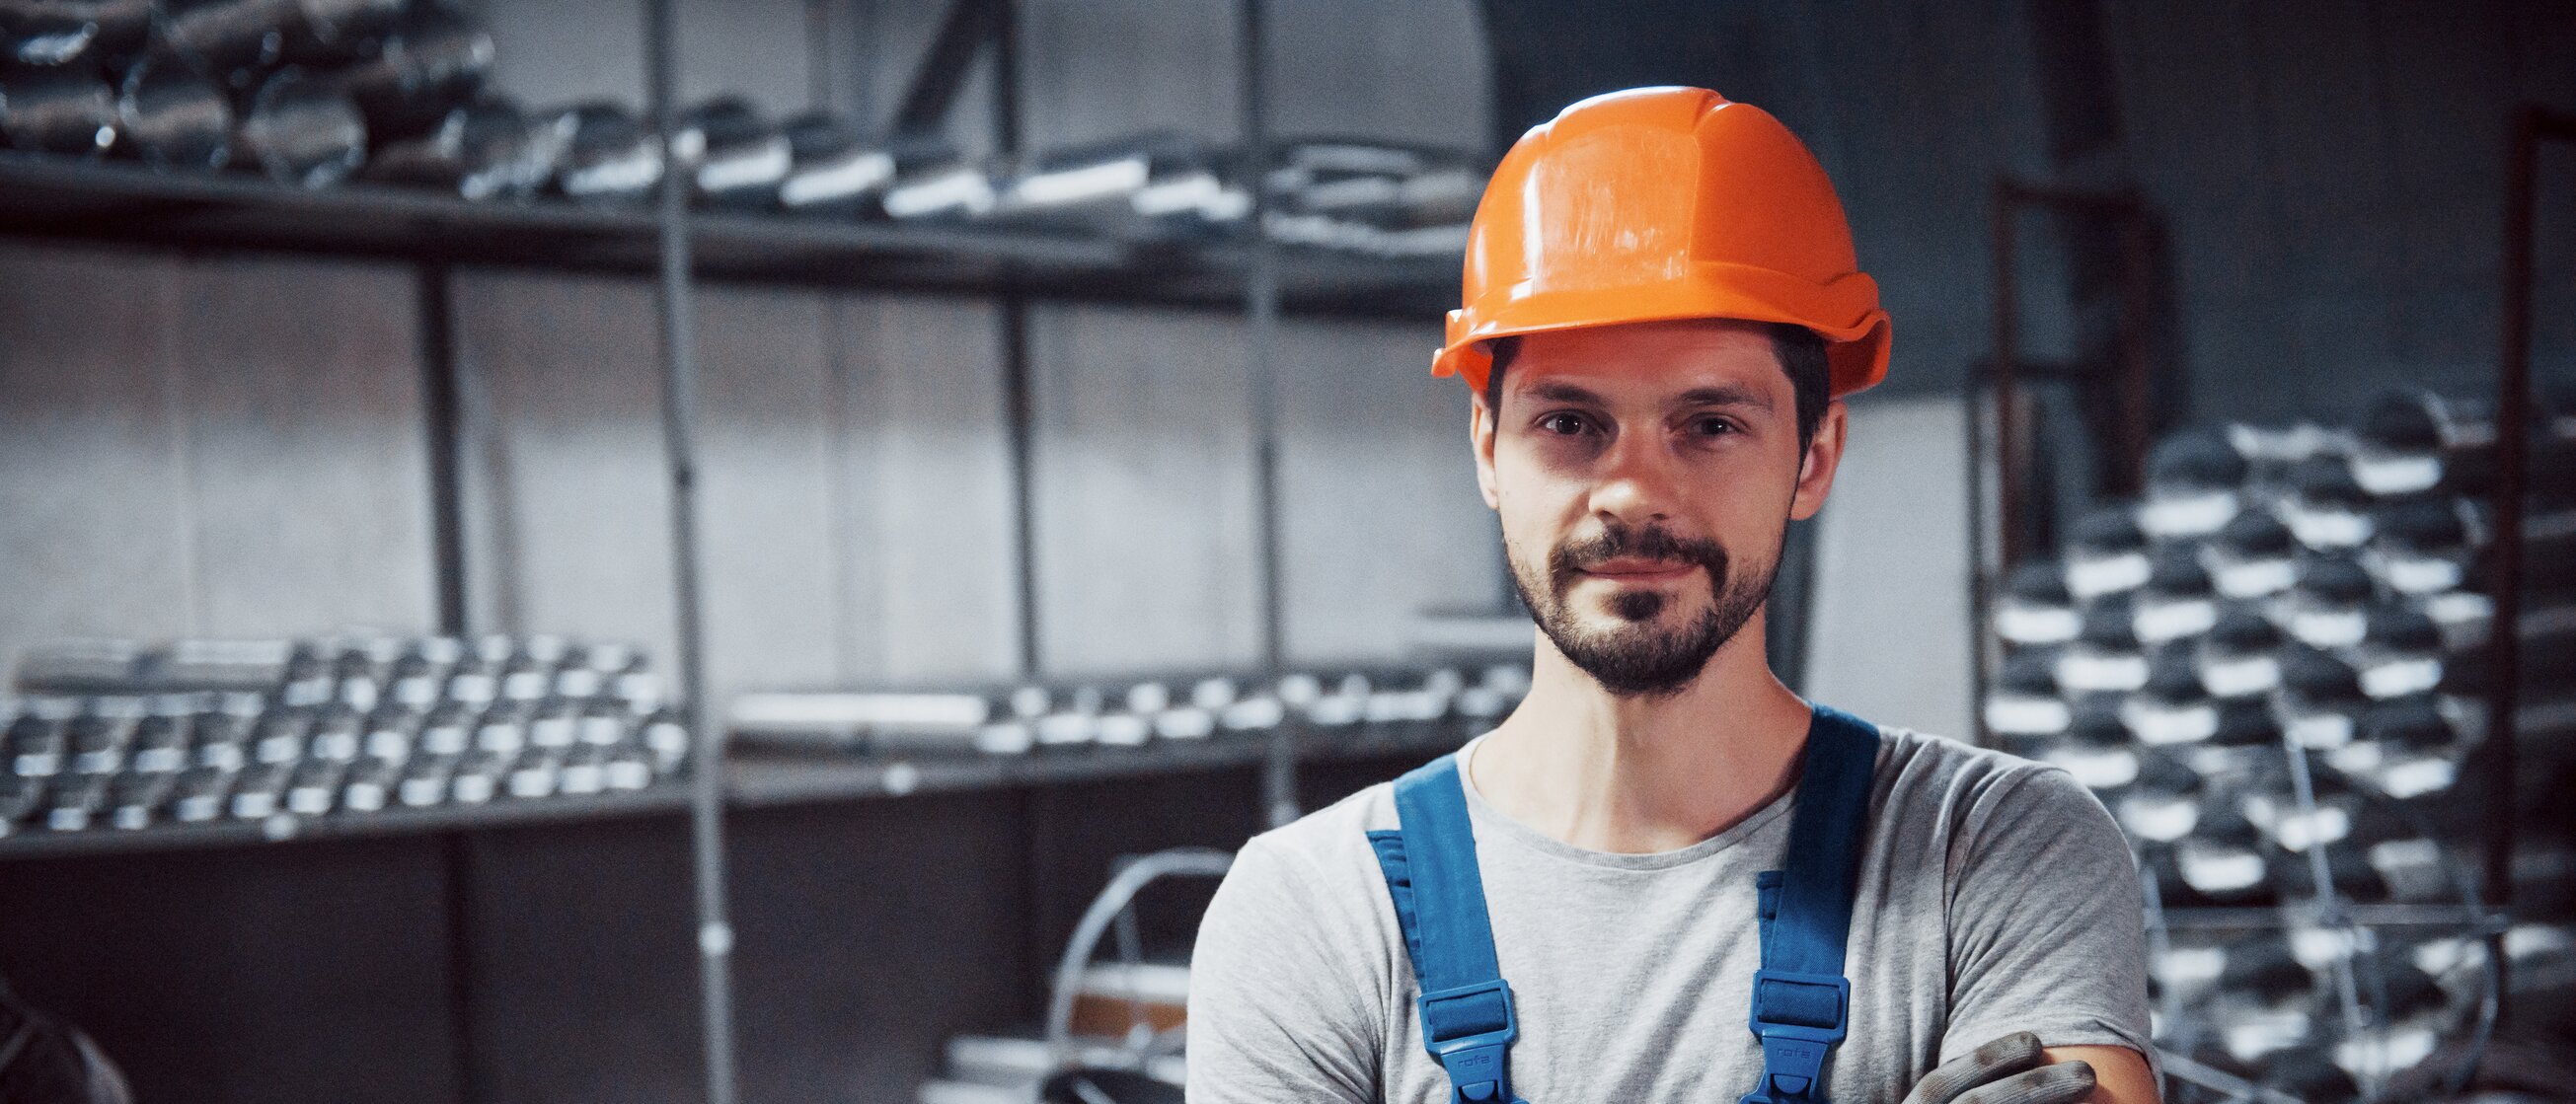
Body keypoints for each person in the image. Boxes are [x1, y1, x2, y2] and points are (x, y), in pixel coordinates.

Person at [1185, 87, 2159, 1104]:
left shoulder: (1996, 851)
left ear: (1814, 456)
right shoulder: (1314, 912)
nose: (1634, 491)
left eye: (1709, 425)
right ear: (1488, 450)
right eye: (1570, 424)